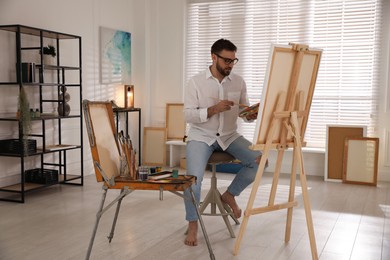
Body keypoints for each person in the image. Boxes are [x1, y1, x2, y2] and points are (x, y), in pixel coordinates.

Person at [183, 38, 266, 246]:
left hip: (229, 136)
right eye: (227, 60)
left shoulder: (239, 81)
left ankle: (229, 195)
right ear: (214, 57)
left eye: (233, 60)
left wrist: (250, 114)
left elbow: (243, 111)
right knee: (192, 180)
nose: (230, 65)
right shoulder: (195, 82)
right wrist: (213, 109)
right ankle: (193, 224)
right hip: (201, 136)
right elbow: (188, 115)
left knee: (260, 160)